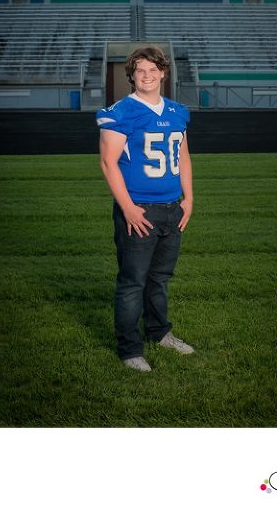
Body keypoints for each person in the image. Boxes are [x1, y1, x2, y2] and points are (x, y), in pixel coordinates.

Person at [97, 46, 193, 371]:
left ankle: (159, 332)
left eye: (153, 70)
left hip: (171, 208)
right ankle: (129, 349)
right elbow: (109, 163)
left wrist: (189, 198)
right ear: (132, 76)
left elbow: (184, 156)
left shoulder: (178, 111)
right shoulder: (121, 112)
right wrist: (127, 208)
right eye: (141, 71)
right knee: (132, 282)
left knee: (160, 279)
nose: (148, 76)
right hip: (138, 210)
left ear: (163, 73)